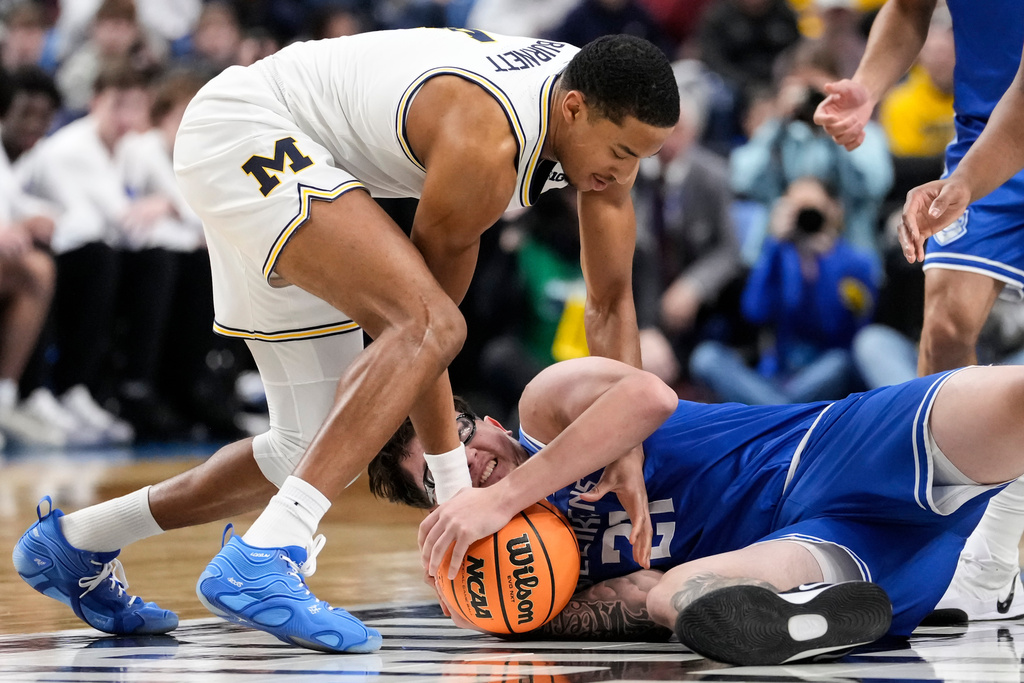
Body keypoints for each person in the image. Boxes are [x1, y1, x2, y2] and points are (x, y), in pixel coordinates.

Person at [13, 29, 679, 654]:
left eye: (642, 159)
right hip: (252, 128)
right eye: (621, 155)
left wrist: (622, 442)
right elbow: (425, 327)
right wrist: (455, 493)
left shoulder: (601, 112)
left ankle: (75, 541)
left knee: (309, 445)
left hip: (299, 157)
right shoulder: (487, 141)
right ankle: (269, 553)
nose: (625, 173)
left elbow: (611, 299)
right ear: (572, 108)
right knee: (429, 325)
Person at [368, 355, 1024, 665]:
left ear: (484, 420)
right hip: (827, 547)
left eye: (456, 434)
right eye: (436, 475)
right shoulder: (538, 567)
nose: (468, 459)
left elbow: (648, 396)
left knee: (1012, 401)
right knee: (678, 598)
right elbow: (638, 593)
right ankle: (815, 616)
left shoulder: (545, 406)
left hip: (829, 448)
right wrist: (513, 611)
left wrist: (505, 499)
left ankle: (993, 527)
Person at [813, 0, 1024, 623]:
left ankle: (995, 554)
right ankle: (948, 550)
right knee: (944, 333)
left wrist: (964, 185)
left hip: (1003, 139)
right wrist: (868, 88)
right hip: (984, 138)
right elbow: (908, 8)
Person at [690, 176, 877, 404]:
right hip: (777, 376)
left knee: (839, 363)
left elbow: (840, 330)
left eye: (812, 208)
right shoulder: (780, 256)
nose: (805, 217)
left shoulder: (857, 263)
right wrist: (774, 245)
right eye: (796, 209)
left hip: (826, 373)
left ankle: (772, 413)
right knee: (706, 357)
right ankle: (781, 412)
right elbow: (755, 311)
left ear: (835, 210)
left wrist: (822, 262)